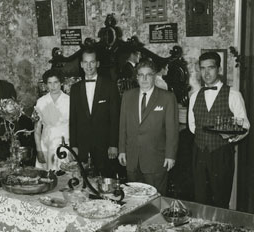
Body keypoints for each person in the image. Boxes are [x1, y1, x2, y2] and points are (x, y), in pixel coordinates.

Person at [188, 52, 250, 208]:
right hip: (199, 153)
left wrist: (229, 137)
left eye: (211, 68)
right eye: (202, 69)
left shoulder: (234, 95)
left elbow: (245, 126)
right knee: (200, 199)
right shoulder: (194, 96)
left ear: (219, 69)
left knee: (221, 199)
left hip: (221, 153)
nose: (206, 73)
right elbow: (192, 125)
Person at [118, 59, 179, 195]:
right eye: (141, 75)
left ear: (154, 76)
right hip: (132, 159)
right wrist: (122, 150)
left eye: (148, 75)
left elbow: (172, 130)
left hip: (156, 160)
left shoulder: (167, 98)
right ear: (136, 77)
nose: (144, 79)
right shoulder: (128, 96)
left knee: (155, 200)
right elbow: (123, 126)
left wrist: (170, 155)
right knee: (133, 198)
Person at [69, 48, 120, 177]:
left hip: (104, 145)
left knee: (105, 181)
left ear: (97, 63)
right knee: (83, 182)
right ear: (81, 64)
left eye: (92, 62)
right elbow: (73, 119)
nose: (89, 66)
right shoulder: (75, 88)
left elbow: (115, 118)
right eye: (85, 62)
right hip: (83, 145)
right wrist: (73, 145)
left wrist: (113, 144)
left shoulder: (110, 85)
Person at [34, 69, 69, 170]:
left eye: (56, 82)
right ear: (46, 84)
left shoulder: (69, 101)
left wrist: (74, 149)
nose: (53, 86)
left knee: (65, 177)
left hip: (65, 143)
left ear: (61, 82)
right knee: (46, 177)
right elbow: (37, 129)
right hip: (46, 144)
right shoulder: (41, 102)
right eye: (49, 83)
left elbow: (75, 127)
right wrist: (39, 150)